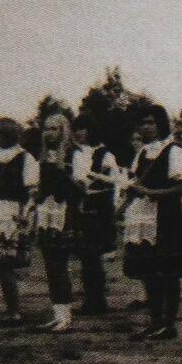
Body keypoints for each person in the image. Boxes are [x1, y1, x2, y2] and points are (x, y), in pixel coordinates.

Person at [123, 105, 182, 340]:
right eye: (143, 123)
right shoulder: (143, 153)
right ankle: (155, 321)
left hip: (167, 217)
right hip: (144, 216)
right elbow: (136, 182)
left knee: (168, 272)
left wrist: (153, 193)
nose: (146, 127)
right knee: (149, 270)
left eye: (151, 123)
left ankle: (169, 324)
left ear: (161, 125)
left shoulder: (174, 152)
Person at [0, 118, 36, 322]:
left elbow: (32, 190)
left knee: (5, 263)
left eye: (1, 135)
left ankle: (14, 311)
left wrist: (25, 214)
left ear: (11, 136)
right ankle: (12, 309)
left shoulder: (25, 158)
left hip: (13, 212)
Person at [34, 113, 82, 332]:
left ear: (63, 131)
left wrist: (62, 175)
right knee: (50, 264)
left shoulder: (74, 154)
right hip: (47, 211)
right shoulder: (44, 155)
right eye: (46, 128)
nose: (48, 133)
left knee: (60, 264)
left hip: (64, 212)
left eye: (53, 129)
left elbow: (80, 189)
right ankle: (58, 313)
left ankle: (65, 316)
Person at [70, 114, 118, 316]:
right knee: (86, 255)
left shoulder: (105, 154)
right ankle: (92, 298)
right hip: (82, 205)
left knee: (93, 254)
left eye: (81, 128)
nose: (77, 133)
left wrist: (94, 179)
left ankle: (97, 299)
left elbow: (113, 181)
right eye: (75, 129)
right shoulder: (76, 153)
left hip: (99, 206)